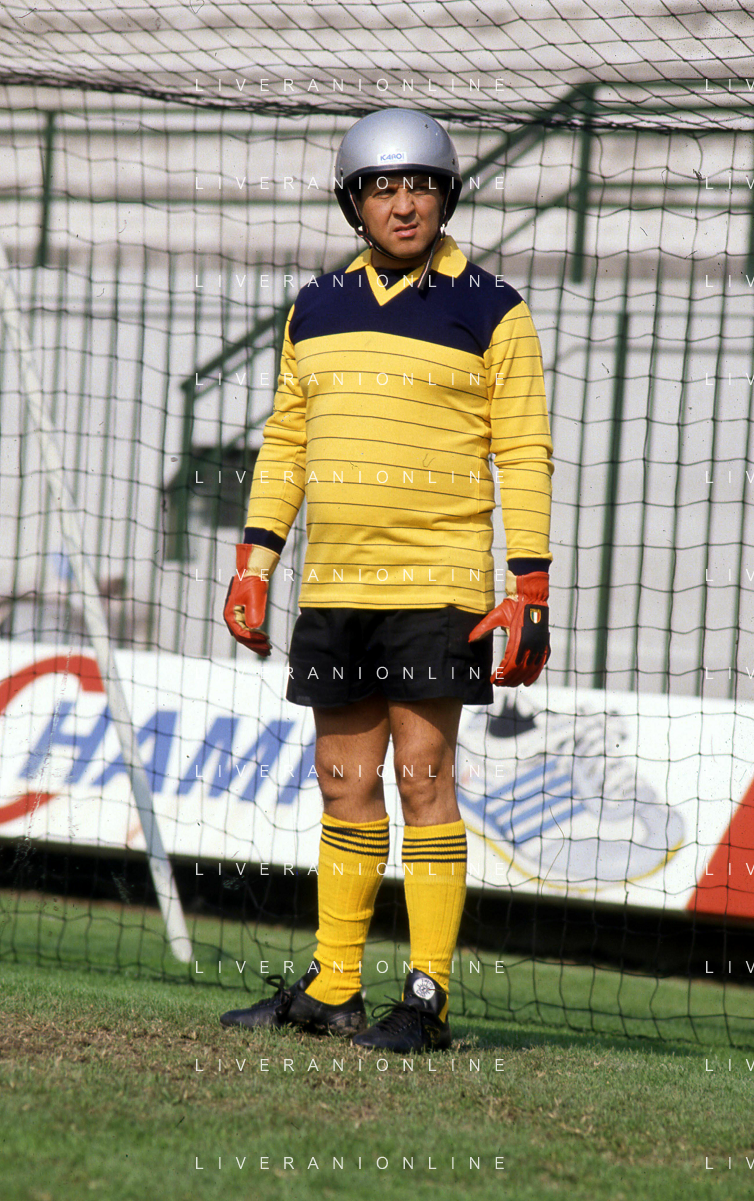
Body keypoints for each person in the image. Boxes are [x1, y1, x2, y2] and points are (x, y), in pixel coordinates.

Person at [219, 108, 553, 1052]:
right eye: (382, 188)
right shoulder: (314, 306)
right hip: (334, 588)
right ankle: (335, 987)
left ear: (446, 197)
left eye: (420, 186)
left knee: (423, 778)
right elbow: (286, 442)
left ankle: (428, 997)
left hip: (440, 585)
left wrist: (528, 584)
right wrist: (255, 563)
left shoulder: (493, 308)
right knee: (343, 784)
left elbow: (525, 450)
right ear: (354, 203)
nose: (404, 204)